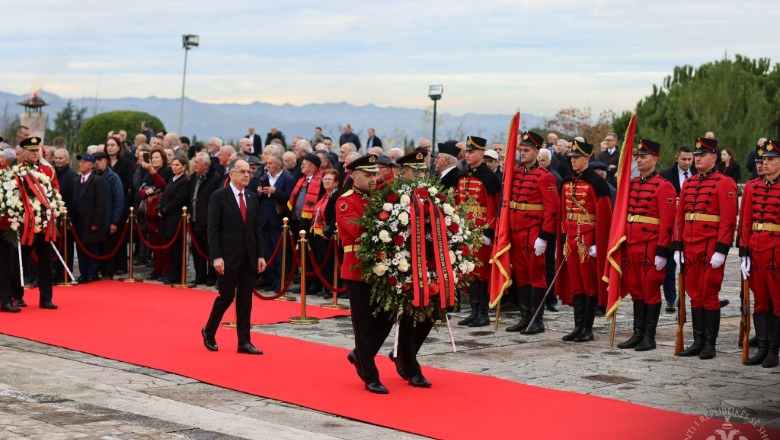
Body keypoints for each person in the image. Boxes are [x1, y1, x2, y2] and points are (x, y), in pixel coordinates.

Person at [673, 137, 737, 360]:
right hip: (690, 245)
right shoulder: (689, 183)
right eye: (696, 156)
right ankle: (698, 340)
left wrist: (721, 249)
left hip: (710, 245)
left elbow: (729, 219)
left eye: (702, 155)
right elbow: (680, 217)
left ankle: (710, 343)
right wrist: (677, 245)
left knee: (709, 294)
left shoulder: (724, 182)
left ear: (714, 157)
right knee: (694, 294)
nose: (698, 159)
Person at [339, 154, 393, 393]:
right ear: (354, 176)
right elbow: (357, 229)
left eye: (374, 174)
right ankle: (370, 375)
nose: (373, 178)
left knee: (386, 318)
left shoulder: (381, 198)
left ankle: (360, 356)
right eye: (367, 175)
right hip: (358, 269)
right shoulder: (345, 201)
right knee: (362, 324)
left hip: (382, 269)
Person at [616, 140, 677, 352]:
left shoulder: (664, 186)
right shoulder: (631, 184)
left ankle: (649, 336)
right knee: (635, 290)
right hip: (631, 245)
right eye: (638, 157)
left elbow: (668, 223)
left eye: (644, 157)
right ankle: (637, 333)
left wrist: (662, 251)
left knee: (650, 289)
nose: (639, 160)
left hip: (650, 246)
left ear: (655, 159)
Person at [202, 158, 266, 355]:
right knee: (226, 296)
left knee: (246, 299)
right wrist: (216, 257)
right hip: (228, 257)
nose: (247, 175)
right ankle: (209, 331)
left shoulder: (252, 196)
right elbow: (213, 229)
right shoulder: (219, 196)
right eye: (242, 171)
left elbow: (257, 229)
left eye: (249, 171)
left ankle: (244, 342)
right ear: (231, 174)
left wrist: (260, 256)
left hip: (249, 256)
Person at [504, 131, 560, 334]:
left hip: (533, 233)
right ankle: (524, 316)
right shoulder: (516, 173)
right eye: (521, 150)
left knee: (536, 276)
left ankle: (537, 319)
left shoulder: (545, 177)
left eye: (526, 150)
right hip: (516, 231)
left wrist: (544, 237)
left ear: (536, 152)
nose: (522, 154)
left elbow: (552, 210)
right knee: (521, 276)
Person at [557, 140, 612, 343]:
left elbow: (604, 216)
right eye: (571, 158)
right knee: (576, 285)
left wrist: (597, 242)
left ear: (587, 159)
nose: (573, 161)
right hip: (570, 239)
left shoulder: (596, 183)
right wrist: (563, 239)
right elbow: (563, 213)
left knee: (589, 285)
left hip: (587, 240)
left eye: (577, 158)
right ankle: (578, 326)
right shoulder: (566, 182)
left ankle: (587, 328)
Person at [740, 139, 780, 368]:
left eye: (770, 159)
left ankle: (774, 350)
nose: (765, 164)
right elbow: (746, 221)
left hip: (776, 250)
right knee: (760, 301)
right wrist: (744, 251)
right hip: (756, 249)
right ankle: (762, 347)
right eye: (763, 159)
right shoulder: (753, 187)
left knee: (777, 301)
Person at [454, 136, 501, 327]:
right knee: (470, 272)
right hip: (467, 230)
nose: (468, 155)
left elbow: (495, 207)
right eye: (466, 152)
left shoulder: (489, 178)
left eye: (472, 152)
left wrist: (488, 232)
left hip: (481, 232)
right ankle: (474, 311)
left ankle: (483, 313)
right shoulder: (464, 175)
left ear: (482, 154)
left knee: (481, 272)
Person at [659, 145, 695, 313]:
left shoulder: (698, 174)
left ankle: (690, 295)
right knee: (670, 266)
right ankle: (671, 298)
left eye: (690, 159)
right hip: (671, 225)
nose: (687, 163)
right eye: (684, 159)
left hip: (692, 226)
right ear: (676, 158)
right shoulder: (665, 176)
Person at [257, 152, 295, 292]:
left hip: (278, 220)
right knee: (267, 253)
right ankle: (271, 280)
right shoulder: (264, 177)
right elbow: (260, 198)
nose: (268, 166)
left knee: (279, 254)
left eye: (270, 163)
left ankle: (281, 281)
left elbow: (291, 198)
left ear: (279, 165)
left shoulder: (287, 178)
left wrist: (276, 191)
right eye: (267, 163)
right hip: (264, 219)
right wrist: (259, 192)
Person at [72, 153, 106, 285]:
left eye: (84, 162)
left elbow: (100, 204)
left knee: (92, 247)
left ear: (91, 165)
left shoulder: (98, 181)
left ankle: (92, 273)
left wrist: (96, 222)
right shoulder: (76, 180)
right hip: (78, 222)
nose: (81, 164)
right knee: (80, 248)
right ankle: (83, 273)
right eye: (80, 161)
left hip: (90, 221)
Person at [156, 156, 191, 285]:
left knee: (176, 249)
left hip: (175, 218)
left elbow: (178, 200)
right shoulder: (172, 179)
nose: (174, 167)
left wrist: (164, 210)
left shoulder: (184, 182)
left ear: (184, 166)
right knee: (170, 248)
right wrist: (159, 207)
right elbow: (165, 195)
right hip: (167, 218)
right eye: (173, 165)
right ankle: (171, 272)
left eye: (177, 165)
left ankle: (176, 274)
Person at [140, 149, 173, 281]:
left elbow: (163, 185)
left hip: (161, 211)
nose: (154, 160)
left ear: (163, 159)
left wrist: (153, 172)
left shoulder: (167, 171)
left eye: (157, 157)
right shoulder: (148, 173)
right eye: (152, 157)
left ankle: (166, 270)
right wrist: (146, 191)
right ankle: (157, 268)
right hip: (150, 212)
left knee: (163, 242)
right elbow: (141, 188)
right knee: (154, 242)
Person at [189, 152, 221, 286]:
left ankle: (211, 277)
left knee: (210, 250)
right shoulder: (194, 177)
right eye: (195, 162)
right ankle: (200, 275)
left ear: (206, 164)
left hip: (207, 220)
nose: (195, 164)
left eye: (198, 162)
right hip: (194, 218)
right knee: (197, 250)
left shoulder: (215, 177)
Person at [93, 152, 125, 280]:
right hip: (96, 219)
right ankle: (96, 270)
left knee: (108, 247)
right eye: (94, 160)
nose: (96, 162)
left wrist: (114, 221)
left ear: (106, 161)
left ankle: (108, 273)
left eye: (99, 160)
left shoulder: (113, 177)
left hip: (108, 219)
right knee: (97, 247)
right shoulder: (92, 176)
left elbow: (119, 201)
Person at [310, 169, 341, 298]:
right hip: (316, 232)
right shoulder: (323, 195)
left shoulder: (336, 197)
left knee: (329, 262)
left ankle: (330, 287)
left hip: (327, 233)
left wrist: (328, 231)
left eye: (329, 179)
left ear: (336, 183)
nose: (326, 181)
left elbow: (335, 216)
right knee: (320, 260)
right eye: (325, 179)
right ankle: (322, 285)